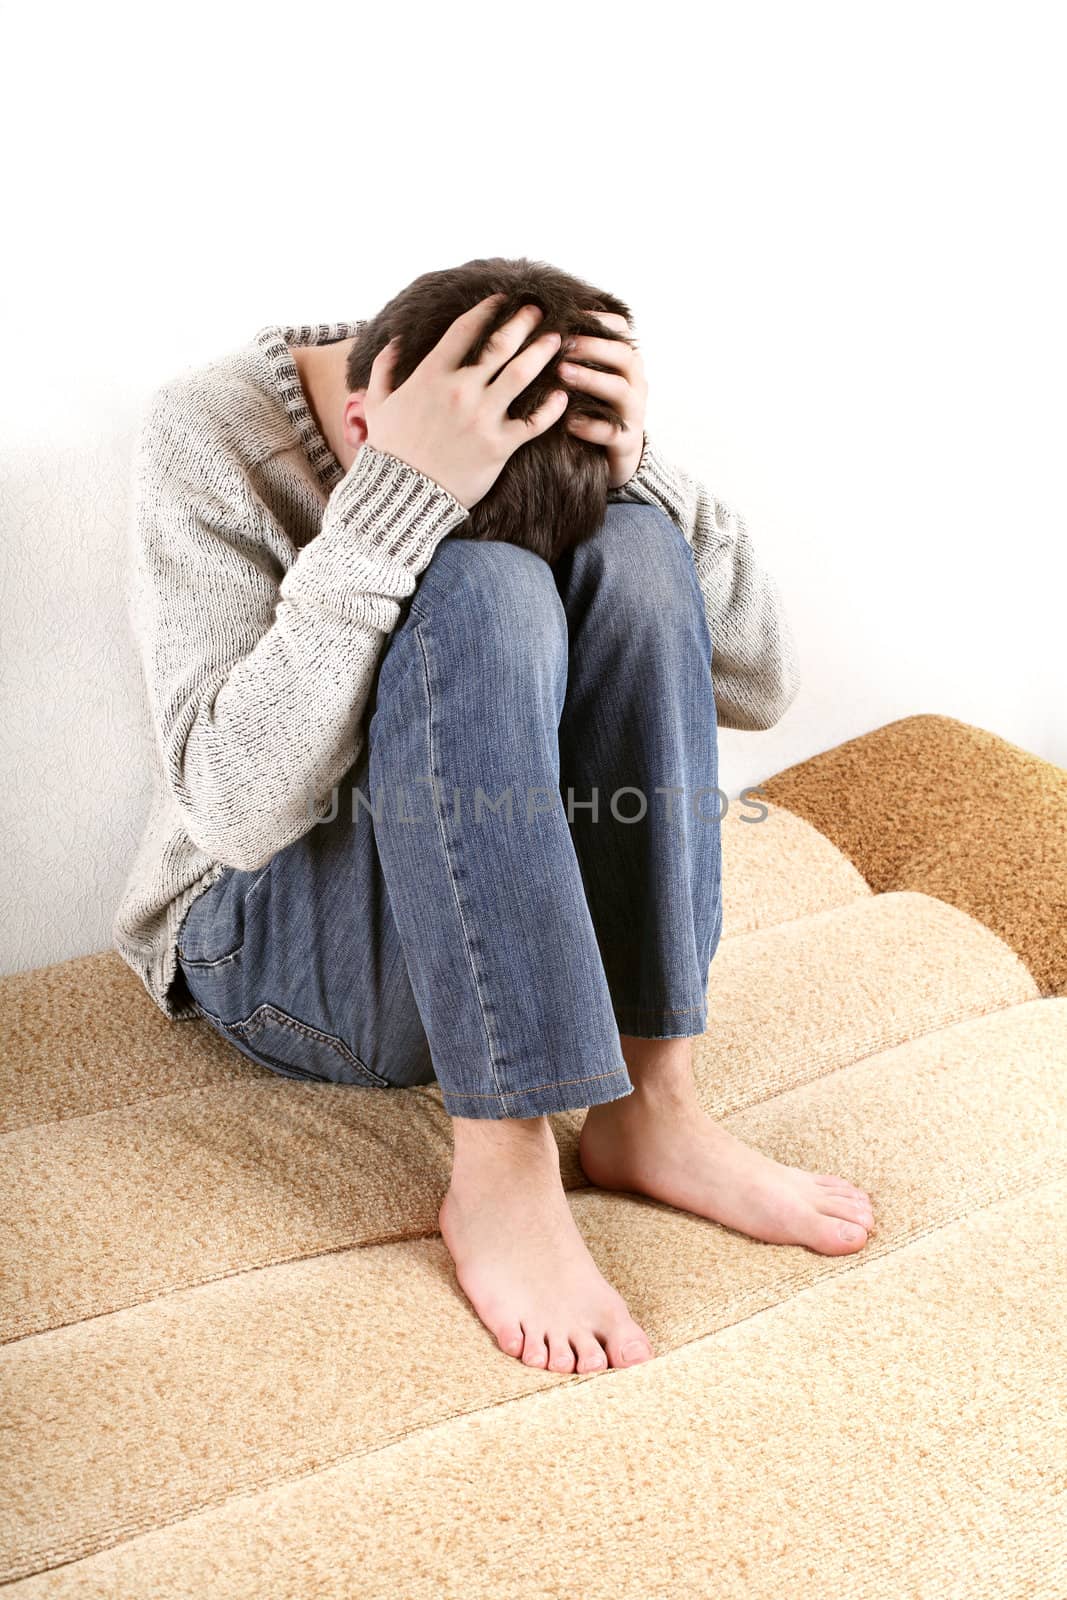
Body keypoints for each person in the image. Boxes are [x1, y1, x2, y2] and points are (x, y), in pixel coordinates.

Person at [113, 257, 875, 1378]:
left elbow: (756, 683)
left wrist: (645, 473)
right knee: (479, 585)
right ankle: (502, 1162)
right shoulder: (209, 429)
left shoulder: (536, 383)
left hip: (496, 917)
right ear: (365, 420)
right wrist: (386, 523)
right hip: (260, 935)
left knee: (633, 548)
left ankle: (650, 1103)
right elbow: (228, 808)